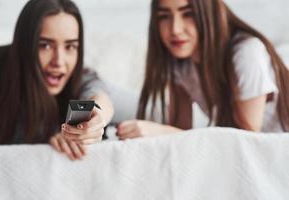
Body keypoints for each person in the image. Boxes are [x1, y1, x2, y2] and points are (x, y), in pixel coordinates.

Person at [116, 0, 289, 140]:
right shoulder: (180, 63)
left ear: (209, 13)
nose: (175, 29)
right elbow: (180, 133)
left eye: (188, 14)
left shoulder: (246, 52)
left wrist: (161, 132)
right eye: (164, 16)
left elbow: (245, 142)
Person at [0, 0, 114, 160]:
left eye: (70, 47)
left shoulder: (81, 78)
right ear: (24, 45)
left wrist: (94, 121)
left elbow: (98, 96)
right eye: (45, 45)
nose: (59, 61)